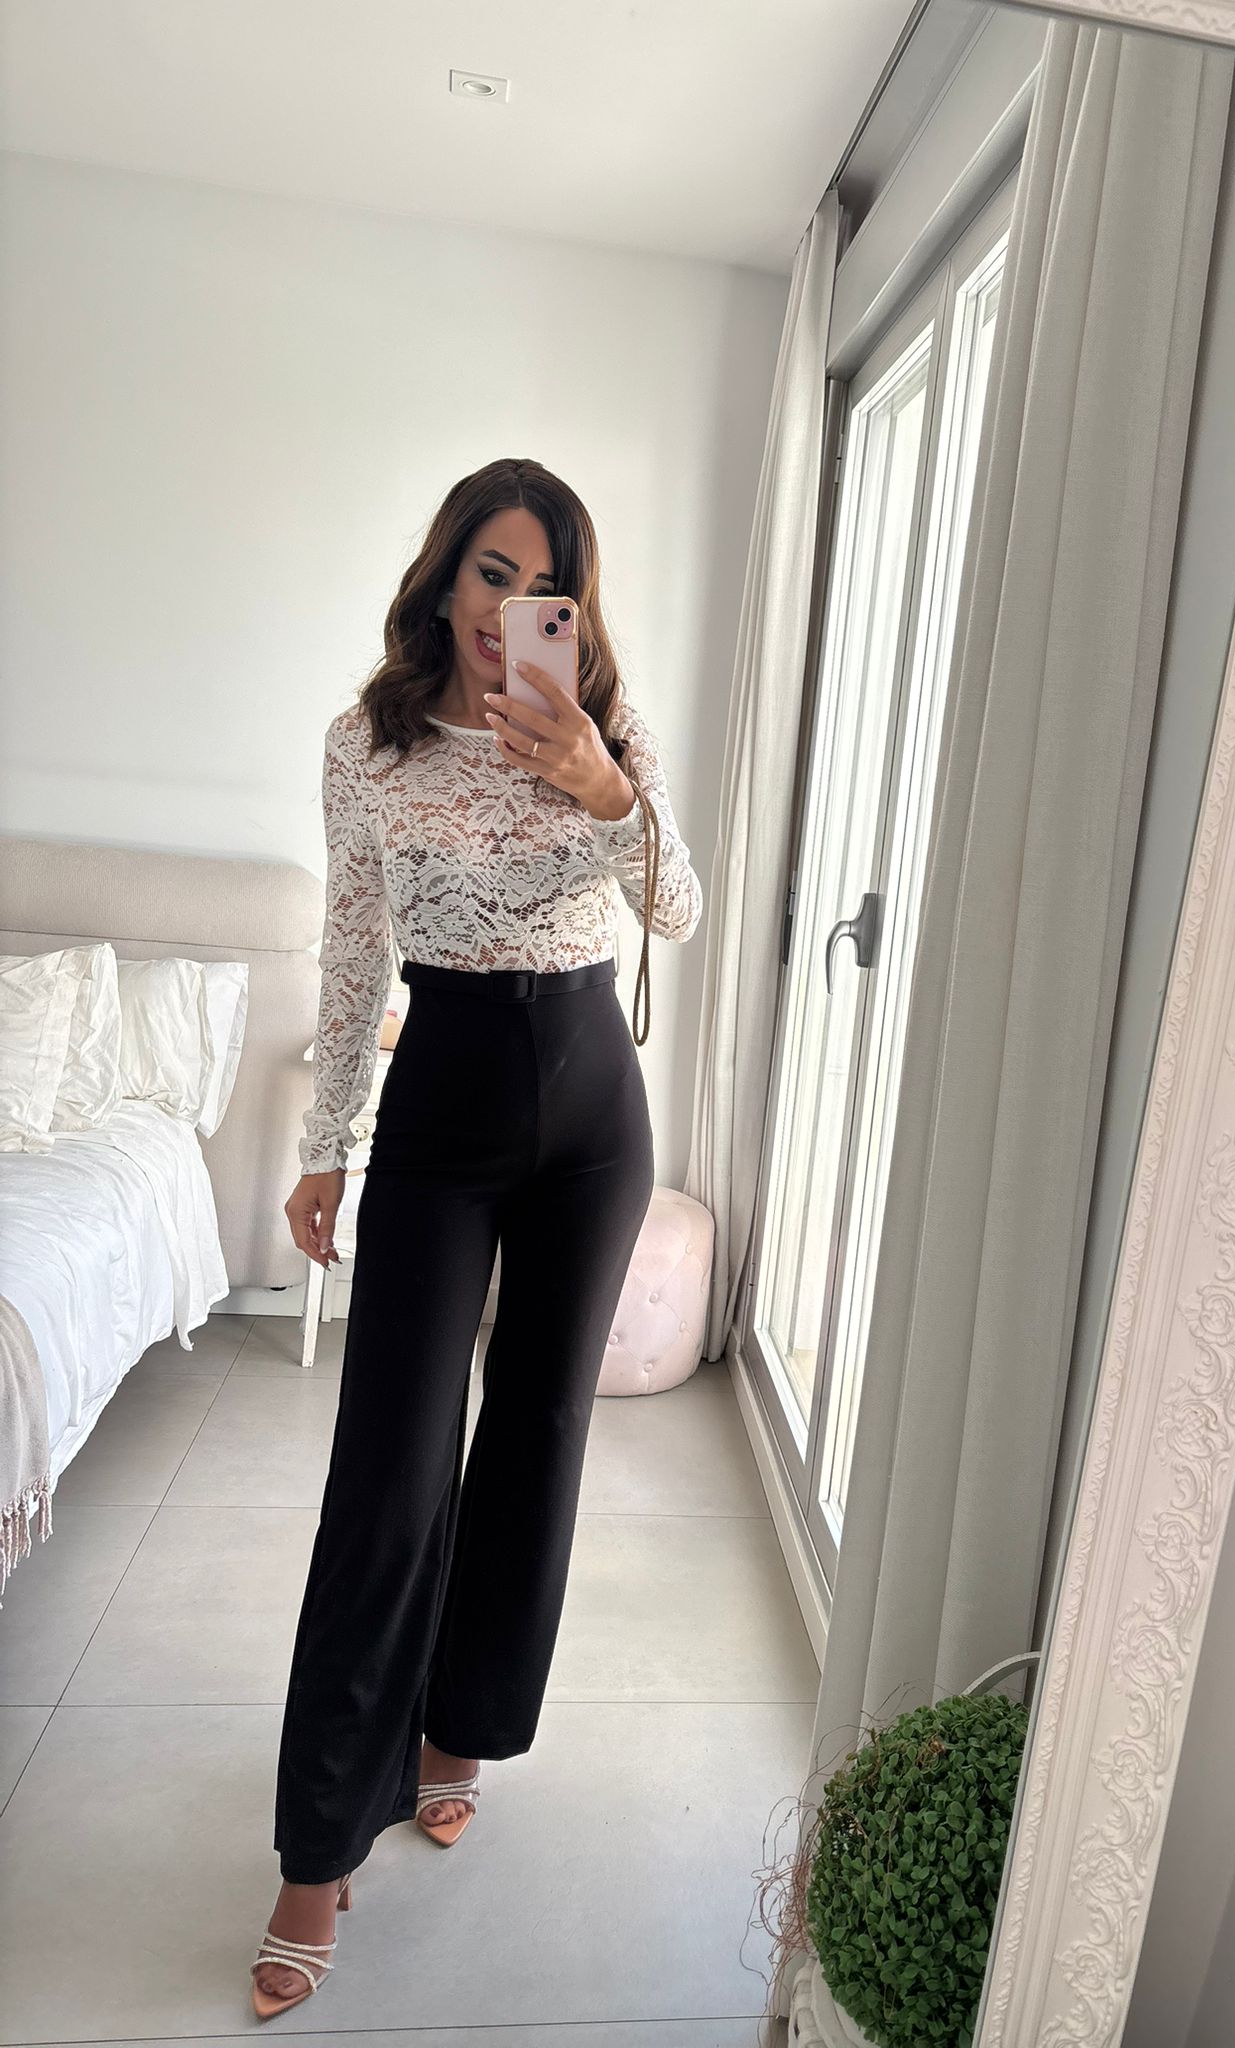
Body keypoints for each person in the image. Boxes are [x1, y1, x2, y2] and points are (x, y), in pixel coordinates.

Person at [249, 457, 703, 2017]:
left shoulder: (606, 727)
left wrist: (605, 788)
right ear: (446, 578)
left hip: (592, 1111)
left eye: (545, 585)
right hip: (440, 1100)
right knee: (389, 1466)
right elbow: (351, 946)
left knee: (537, 1438)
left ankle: (462, 1731)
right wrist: (325, 1145)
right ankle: (318, 1847)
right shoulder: (367, 745)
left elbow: (680, 912)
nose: (514, 610)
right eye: (493, 574)